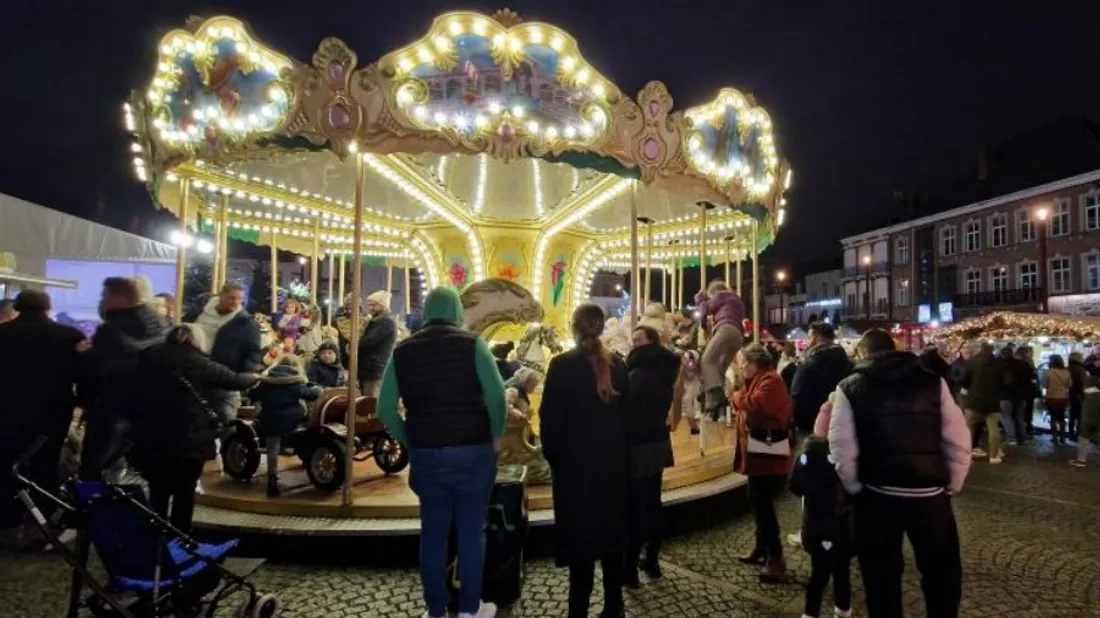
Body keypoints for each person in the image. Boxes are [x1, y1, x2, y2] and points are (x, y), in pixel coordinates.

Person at [376, 287, 506, 618]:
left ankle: (435, 610)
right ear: (456, 311)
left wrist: (408, 439)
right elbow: (497, 397)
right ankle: (469, 609)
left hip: (427, 454)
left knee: (432, 534)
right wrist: (496, 436)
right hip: (473, 451)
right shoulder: (472, 344)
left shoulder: (403, 351)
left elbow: (385, 407)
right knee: (471, 532)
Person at [829, 329, 971, 618]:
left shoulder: (850, 387)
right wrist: (953, 482)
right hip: (929, 495)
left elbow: (842, 445)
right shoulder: (933, 382)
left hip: (878, 494)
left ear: (864, 353)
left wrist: (854, 485)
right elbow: (957, 436)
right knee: (940, 575)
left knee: (881, 576)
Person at [540, 304, 631, 618]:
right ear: (602, 328)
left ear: (574, 327)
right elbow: (627, 418)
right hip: (611, 464)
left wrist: (554, 458)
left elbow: (549, 419)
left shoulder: (562, 366)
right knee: (611, 536)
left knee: (581, 543)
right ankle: (614, 605)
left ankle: (578, 609)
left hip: (575, 468)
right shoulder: (618, 365)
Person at [129, 324, 258, 530]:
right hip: (188, 436)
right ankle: (180, 539)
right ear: (196, 341)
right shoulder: (198, 362)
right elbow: (234, 380)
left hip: (151, 435)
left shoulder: (148, 357)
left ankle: (154, 537)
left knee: (158, 490)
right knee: (184, 492)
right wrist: (254, 377)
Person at [0, 291, 87, 546]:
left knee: (5, 465)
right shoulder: (69, 337)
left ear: (17, 307)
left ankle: (6, 523)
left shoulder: (2, 335)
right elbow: (83, 376)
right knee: (44, 467)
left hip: (6, 414)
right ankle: (39, 526)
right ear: (48, 308)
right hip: (51, 414)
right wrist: (82, 404)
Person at [82, 277, 170, 480]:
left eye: (105, 296)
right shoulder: (160, 325)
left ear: (120, 298)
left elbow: (100, 371)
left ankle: (96, 509)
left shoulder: (110, 331)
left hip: (112, 407)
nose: (102, 301)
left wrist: (84, 357)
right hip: (150, 408)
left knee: (97, 467)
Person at [622, 325, 679, 587]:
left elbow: (627, 410)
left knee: (636, 506)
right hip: (657, 441)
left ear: (651, 341)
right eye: (633, 339)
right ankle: (652, 561)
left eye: (638, 339)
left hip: (639, 445)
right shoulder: (664, 371)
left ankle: (630, 569)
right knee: (653, 502)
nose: (634, 344)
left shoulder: (639, 374)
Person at [731, 343, 793, 583]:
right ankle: (761, 548)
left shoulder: (771, 381)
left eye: (745, 363)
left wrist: (737, 395)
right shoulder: (760, 380)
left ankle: (776, 557)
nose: (742, 367)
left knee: (764, 506)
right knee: (756, 502)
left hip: (768, 453)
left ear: (755, 363)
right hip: (758, 453)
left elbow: (754, 407)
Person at [790, 396, 852, 618]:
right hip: (843, 525)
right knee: (842, 568)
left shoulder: (809, 456)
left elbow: (796, 486)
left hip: (818, 525)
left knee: (818, 574)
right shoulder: (850, 455)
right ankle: (843, 609)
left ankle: (810, 613)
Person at [184, 282, 262, 425]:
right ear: (221, 296)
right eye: (232, 298)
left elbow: (253, 351)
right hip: (195, 374)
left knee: (225, 420)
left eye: (240, 299)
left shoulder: (245, 323)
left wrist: (246, 374)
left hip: (225, 379)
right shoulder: (200, 313)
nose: (236, 303)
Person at [251, 353, 321, 497]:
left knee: (272, 449)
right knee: (305, 422)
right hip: (292, 418)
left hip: (269, 418)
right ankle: (303, 454)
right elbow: (311, 394)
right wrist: (317, 388)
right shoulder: (295, 382)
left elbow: (253, 394)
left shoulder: (266, 382)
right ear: (296, 367)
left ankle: (272, 477)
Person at [790, 322, 853, 437]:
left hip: (812, 429)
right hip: (843, 427)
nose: (808, 342)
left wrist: (800, 423)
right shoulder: (848, 364)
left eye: (809, 337)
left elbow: (798, 398)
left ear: (818, 338)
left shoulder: (808, 366)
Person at [694, 280, 745, 417]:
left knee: (707, 360)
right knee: (719, 367)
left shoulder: (721, 295)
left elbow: (705, 310)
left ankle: (713, 396)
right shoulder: (736, 300)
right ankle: (718, 405)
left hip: (725, 329)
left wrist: (700, 300)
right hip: (738, 335)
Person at [961, 341, 1003, 463]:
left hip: (974, 400)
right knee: (993, 429)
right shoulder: (998, 364)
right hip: (992, 400)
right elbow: (1004, 381)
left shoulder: (972, 363)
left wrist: (969, 389)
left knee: (969, 428)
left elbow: (964, 380)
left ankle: (967, 454)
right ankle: (994, 456)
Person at [358, 290, 398, 397]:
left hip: (374, 369)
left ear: (383, 306)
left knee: (371, 402)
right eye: (370, 305)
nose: (370, 308)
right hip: (368, 369)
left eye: (374, 305)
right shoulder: (375, 321)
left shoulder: (386, 322)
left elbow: (369, 342)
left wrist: (353, 345)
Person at [1072, 369, 1100, 467]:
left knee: (1083, 438)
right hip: (1094, 421)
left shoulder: (1089, 394)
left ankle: (1081, 460)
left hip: (1089, 421)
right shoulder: (1095, 393)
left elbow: (1089, 411)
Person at [1044, 354, 1072, 445]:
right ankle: (1063, 437)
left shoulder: (1049, 372)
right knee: (1062, 418)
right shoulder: (1066, 372)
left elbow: (1044, 385)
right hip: (1063, 397)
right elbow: (1069, 385)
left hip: (1051, 397)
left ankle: (1054, 437)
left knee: (1053, 418)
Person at [1068, 351, 1087, 442]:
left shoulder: (1068, 368)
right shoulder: (1080, 369)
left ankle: (1071, 433)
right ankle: (1078, 434)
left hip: (1070, 394)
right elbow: (1083, 382)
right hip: (1079, 394)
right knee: (1079, 415)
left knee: (1072, 414)